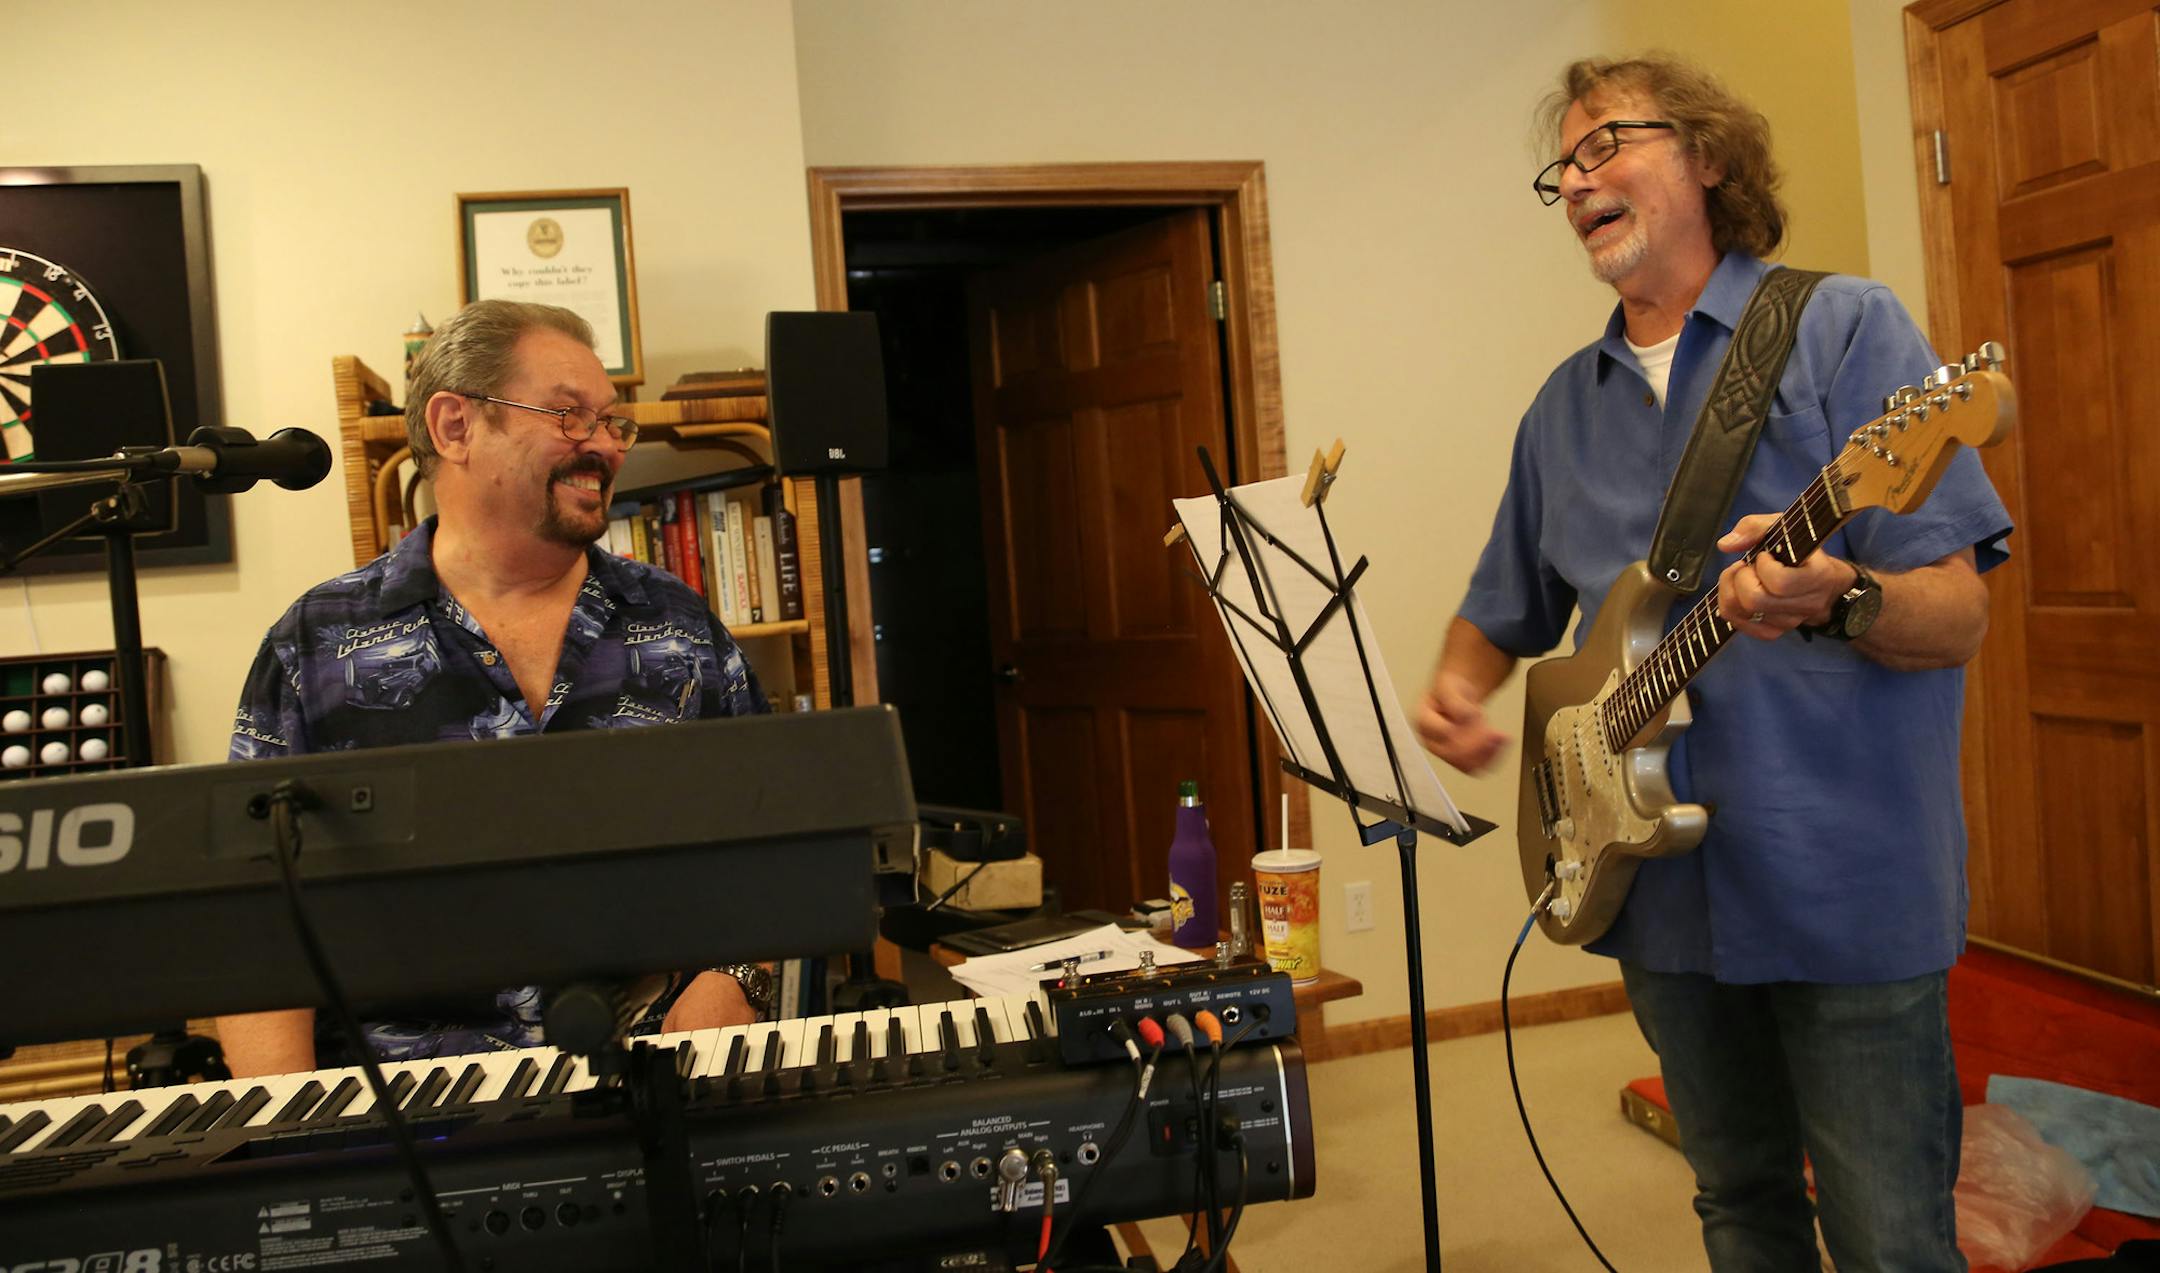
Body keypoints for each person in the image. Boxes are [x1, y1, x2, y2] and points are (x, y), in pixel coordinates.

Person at [1417, 56, 2012, 1272]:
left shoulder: (1845, 328)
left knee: (1890, 1235)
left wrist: (1838, 596)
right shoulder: (1560, 411)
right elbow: (1500, 608)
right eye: (1564, 166)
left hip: (1843, 877)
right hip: (1658, 894)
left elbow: (1958, 616)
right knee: (1736, 1202)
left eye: (1608, 146)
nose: (1579, 179)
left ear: (1712, 159)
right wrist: (1458, 690)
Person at [219, 299, 771, 1078]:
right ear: (454, 427)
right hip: (403, 1117)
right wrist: (295, 1142)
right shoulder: (316, 642)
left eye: (612, 423)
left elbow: (769, 847)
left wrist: (732, 978)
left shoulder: (677, 624)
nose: (605, 448)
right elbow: (258, 921)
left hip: (656, 1087)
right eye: (570, 416)